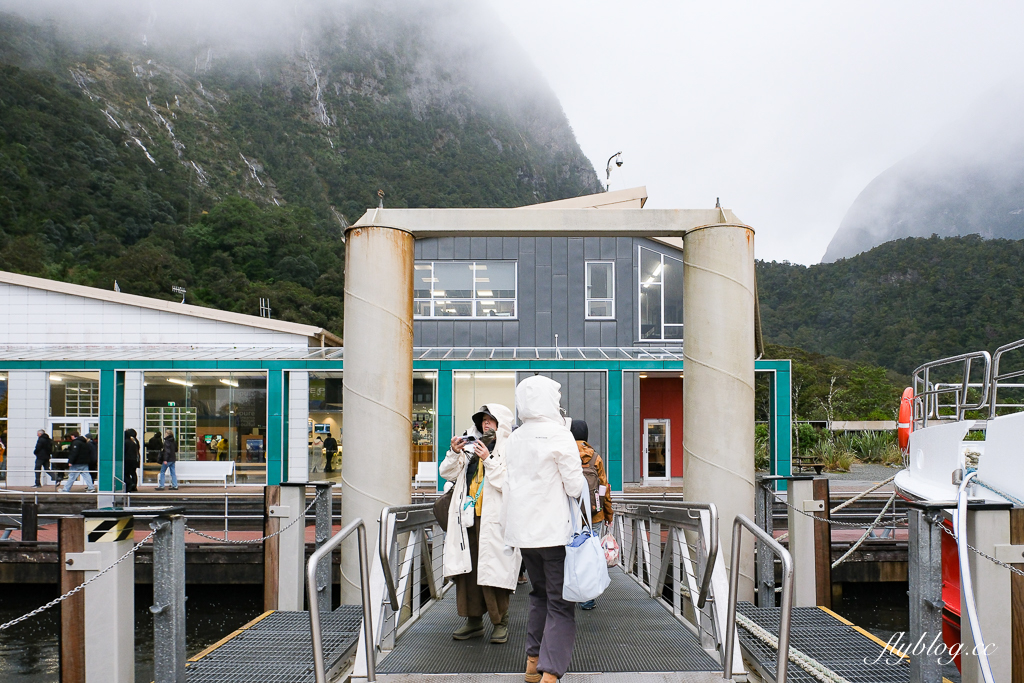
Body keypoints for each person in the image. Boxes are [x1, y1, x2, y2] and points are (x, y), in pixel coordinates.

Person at [503, 376, 586, 683]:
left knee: (538, 595)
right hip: (554, 532)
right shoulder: (559, 435)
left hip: (524, 533)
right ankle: (550, 671)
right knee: (561, 602)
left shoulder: (515, 437)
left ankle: (532, 661)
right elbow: (575, 485)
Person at [439, 404, 520, 644]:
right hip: (468, 519)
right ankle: (473, 621)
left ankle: (500, 622)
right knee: (468, 573)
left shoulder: (510, 448)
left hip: (495, 520)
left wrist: (489, 459)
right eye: (483, 420)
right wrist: (454, 452)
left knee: (495, 572)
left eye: (491, 420)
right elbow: (447, 473)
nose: (486, 424)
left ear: (501, 423)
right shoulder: (471, 446)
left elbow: (507, 483)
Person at [569, 419, 613, 611]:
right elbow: (604, 487)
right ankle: (587, 598)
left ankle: (569, 593)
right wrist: (606, 512)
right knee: (590, 554)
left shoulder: (566, 455)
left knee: (570, 552)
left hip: (571, 514)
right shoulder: (596, 457)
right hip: (594, 514)